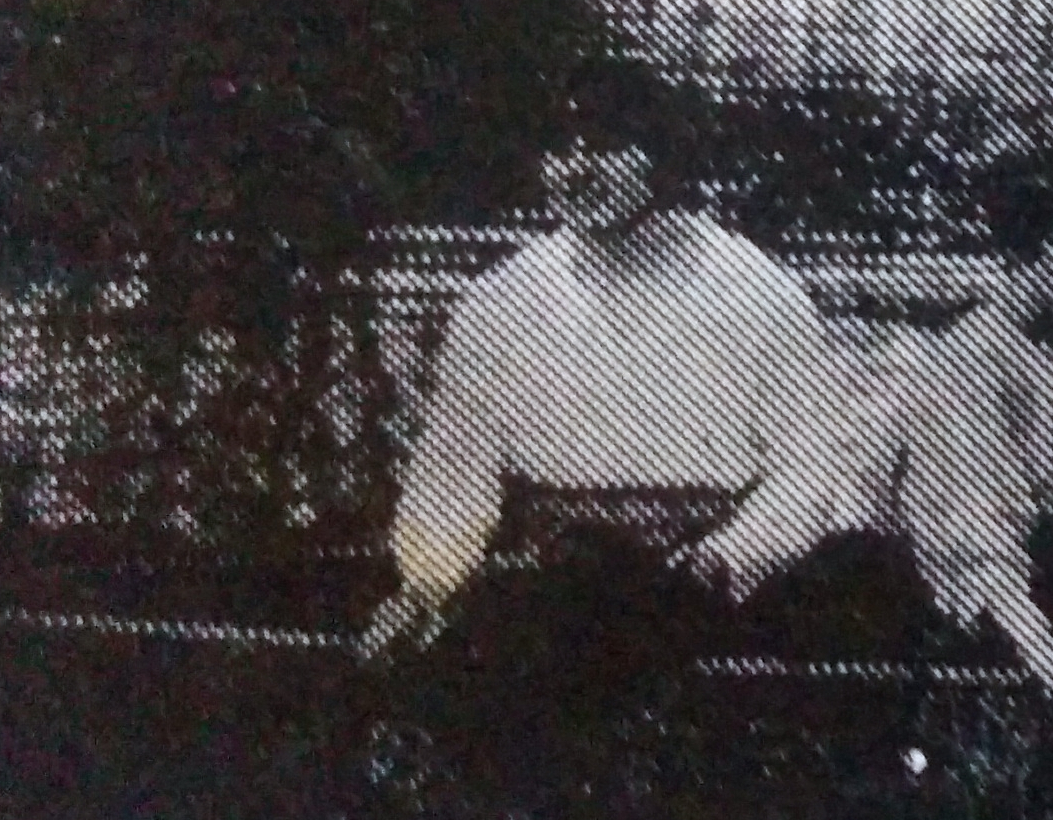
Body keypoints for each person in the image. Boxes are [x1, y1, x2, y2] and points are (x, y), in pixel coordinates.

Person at [359, 62, 843, 663]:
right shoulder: (500, 299)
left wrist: (724, 560)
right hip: (549, 606)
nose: (580, 169)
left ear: (661, 157)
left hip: (716, 602)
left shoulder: (759, 294)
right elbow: (458, 466)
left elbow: (810, 477)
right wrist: (428, 581)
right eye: (561, 149)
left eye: (609, 147)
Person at [687, 146, 1053, 715]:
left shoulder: (1044, 355)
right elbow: (970, 535)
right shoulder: (973, 360)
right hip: (915, 629)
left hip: (993, 611)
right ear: (1037, 246)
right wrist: (1048, 658)